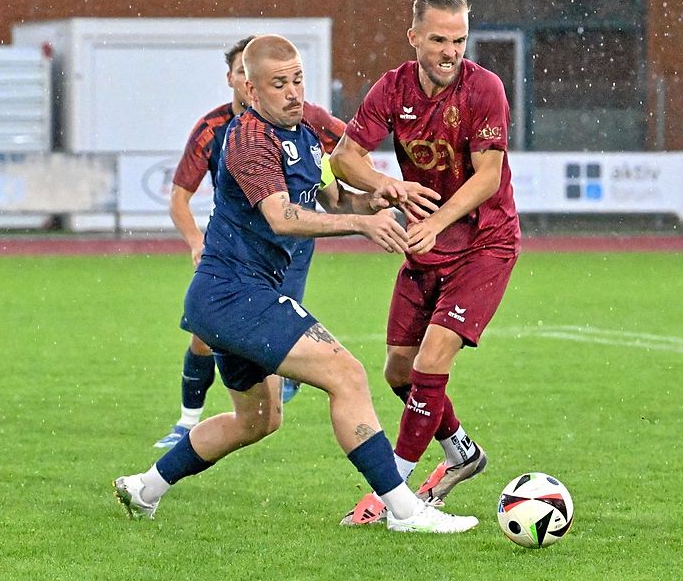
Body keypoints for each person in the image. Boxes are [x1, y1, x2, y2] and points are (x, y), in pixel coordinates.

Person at [114, 34, 478, 534]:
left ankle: (144, 488)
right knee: (346, 375)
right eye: (279, 84)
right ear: (252, 91)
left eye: (298, 79)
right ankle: (405, 512)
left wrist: (378, 200)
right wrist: (361, 226)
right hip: (233, 294)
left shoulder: (304, 131)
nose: (293, 92)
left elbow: (333, 200)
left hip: (235, 298)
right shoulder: (246, 140)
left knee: (257, 421)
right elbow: (282, 216)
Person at [330, 0, 521, 525]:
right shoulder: (392, 90)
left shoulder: (485, 89)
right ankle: (461, 451)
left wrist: (435, 220)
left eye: (459, 40)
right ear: (413, 37)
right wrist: (387, 184)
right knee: (397, 371)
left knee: (431, 361)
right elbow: (346, 159)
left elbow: (488, 176)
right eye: (438, 39)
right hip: (428, 247)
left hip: (485, 242)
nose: (450, 51)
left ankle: (396, 497)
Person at [154, 36, 347, 449]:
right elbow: (179, 197)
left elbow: (351, 147)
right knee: (206, 337)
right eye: (243, 73)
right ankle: (188, 420)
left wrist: (377, 185)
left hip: (291, 251)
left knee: (280, 339)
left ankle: (278, 384)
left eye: (294, 79)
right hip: (237, 251)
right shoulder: (216, 131)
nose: (288, 90)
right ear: (237, 80)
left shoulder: (306, 119)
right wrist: (194, 242)